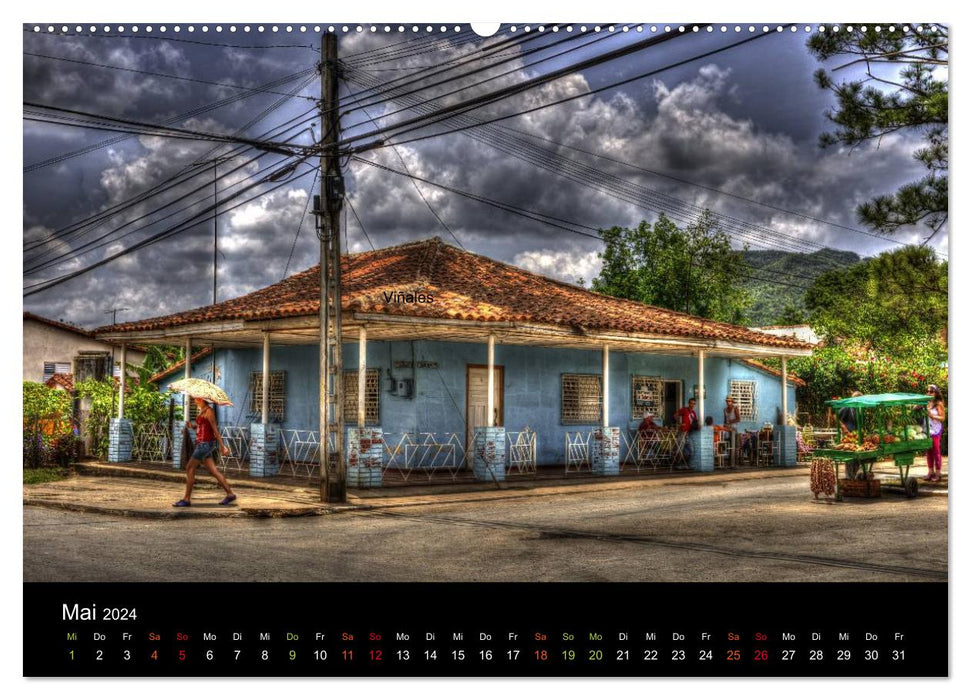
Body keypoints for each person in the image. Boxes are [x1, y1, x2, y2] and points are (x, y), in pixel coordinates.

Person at [174, 397, 237, 507]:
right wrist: (193, 426)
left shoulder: (209, 411)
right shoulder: (202, 411)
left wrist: (223, 446)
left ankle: (186, 499)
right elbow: (202, 427)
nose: (195, 401)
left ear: (202, 400)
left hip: (205, 444)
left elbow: (215, 430)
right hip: (202, 444)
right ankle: (230, 494)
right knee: (214, 471)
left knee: (189, 467)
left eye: (197, 399)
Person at [926, 385, 946, 481]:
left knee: (936, 451)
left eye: (931, 391)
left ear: (936, 393)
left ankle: (938, 473)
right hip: (927, 429)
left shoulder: (939, 404)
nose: (929, 393)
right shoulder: (927, 403)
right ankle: (930, 472)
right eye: (928, 391)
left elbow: (942, 418)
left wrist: (932, 416)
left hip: (936, 430)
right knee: (928, 451)